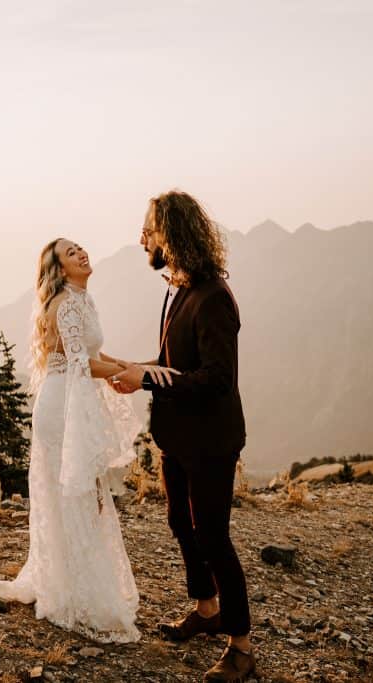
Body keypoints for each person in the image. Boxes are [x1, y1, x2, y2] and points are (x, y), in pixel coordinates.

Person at [0, 237, 175, 643]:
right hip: (61, 407)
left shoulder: (81, 298)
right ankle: (74, 593)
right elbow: (78, 362)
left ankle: (73, 582)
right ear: (59, 269)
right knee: (75, 494)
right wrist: (128, 373)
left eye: (80, 248)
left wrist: (130, 366)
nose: (81, 253)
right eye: (70, 253)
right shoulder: (67, 303)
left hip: (68, 398)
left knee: (83, 495)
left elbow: (93, 352)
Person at [110, 191, 256, 681]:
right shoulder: (177, 288)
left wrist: (146, 379)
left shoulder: (214, 297)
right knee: (179, 521)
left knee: (214, 537)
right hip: (177, 437)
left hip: (212, 440)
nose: (141, 238)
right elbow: (175, 366)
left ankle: (241, 647)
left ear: (170, 235)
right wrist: (132, 369)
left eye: (149, 229)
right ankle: (207, 610)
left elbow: (217, 378)